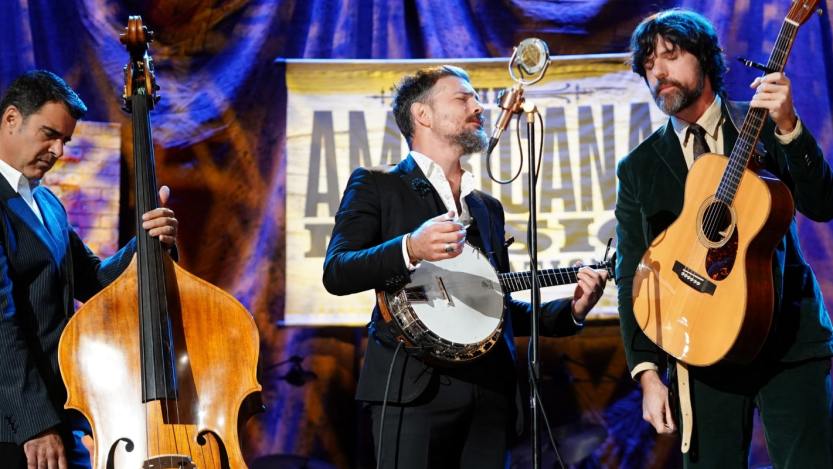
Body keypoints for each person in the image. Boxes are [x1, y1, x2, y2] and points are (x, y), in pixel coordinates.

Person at [323, 65, 608, 468]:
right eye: (463, 98)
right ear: (422, 115)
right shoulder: (377, 184)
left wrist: (572, 310)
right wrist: (410, 247)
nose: (480, 105)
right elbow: (337, 270)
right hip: (412, 388)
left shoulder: (485, 207)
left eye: (476, 98)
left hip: (489, 393)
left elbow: (497, 307)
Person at [615, 9, 833, 468]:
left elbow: (821, 203)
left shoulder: (758, 122)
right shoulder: (639, 168)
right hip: (702, 348)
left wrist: (789, 127)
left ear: (706, 59)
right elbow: (633, 273)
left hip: (788, 342)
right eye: (649, 63)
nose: (659, 71)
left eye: (671, 56)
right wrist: (649, 373)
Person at [0, 70, 179, 469]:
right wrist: (35, 425)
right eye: (49, 134)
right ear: (11, 119)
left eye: (64, 139)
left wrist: (149, 240)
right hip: (15, 426)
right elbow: (2, 325)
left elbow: (96, 282)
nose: (59, 151)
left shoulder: (48, 203)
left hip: (60, 415)